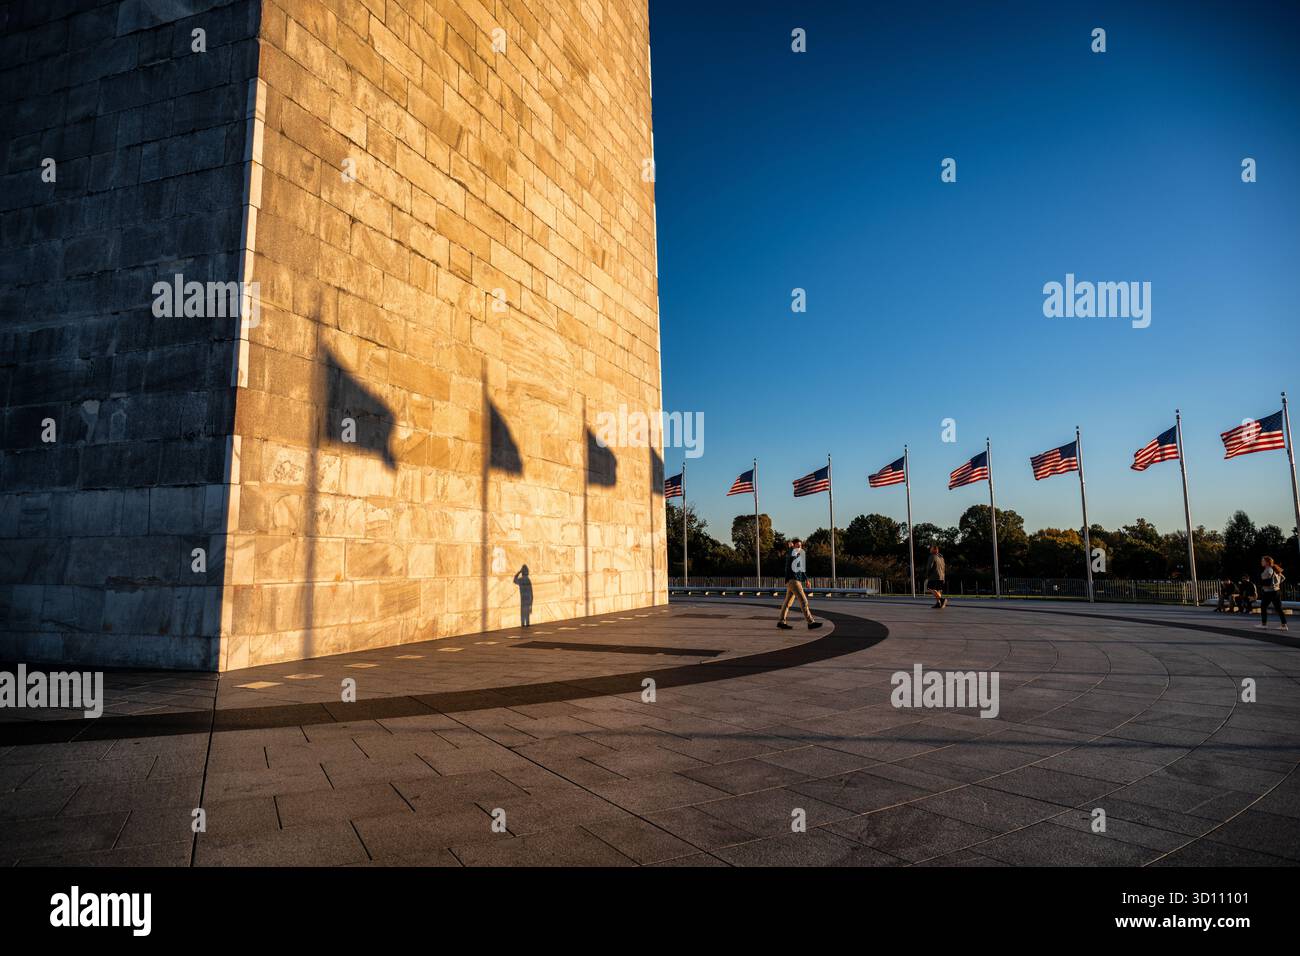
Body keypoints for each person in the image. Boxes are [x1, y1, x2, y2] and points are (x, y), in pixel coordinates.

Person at [778, 539, 822, 630]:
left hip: (794, 581)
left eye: (800, 546)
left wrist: (806, 579)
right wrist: (790, 548)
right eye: (797, 545)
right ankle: (810, 622)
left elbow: (801, 569)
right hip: (793, 581)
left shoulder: (797, 555)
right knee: (804, 601)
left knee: (787, 603)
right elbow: (791, 555)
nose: (799, 547)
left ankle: (781, 622)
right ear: (793, 546)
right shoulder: (791, 554)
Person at [1259, 556, 1288, 631]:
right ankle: (1284, 625)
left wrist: (1270, 584)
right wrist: (1276, 584)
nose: (1261, 562)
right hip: (1276, 591)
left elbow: (1266, 581)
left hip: (1269, 592)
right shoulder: (1275, 569)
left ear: (1267, 562)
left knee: (1263, 607)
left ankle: (1264, 624)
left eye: (1263, 561)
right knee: (1279, 609)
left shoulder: (1268, 570)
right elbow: (1283, 578)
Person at [924, 544, 948, 608]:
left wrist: (927, 574)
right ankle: (938, 603)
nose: (930, 549)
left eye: (931, 548)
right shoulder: (941, 557)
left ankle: (942, 600)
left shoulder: (932, 556)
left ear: (935, 550)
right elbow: (944, 567)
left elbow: (929, 567)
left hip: (934, 576)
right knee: (938, 590)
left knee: (930, 588)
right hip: (941, 576)